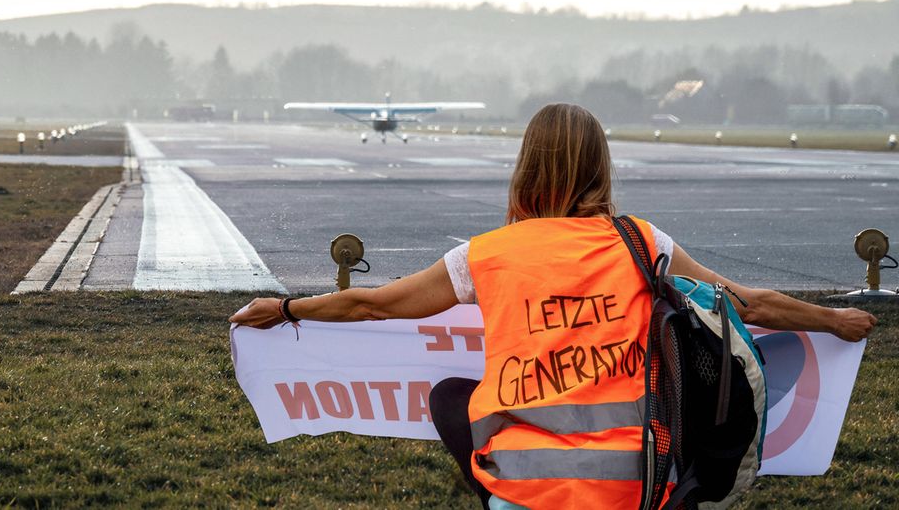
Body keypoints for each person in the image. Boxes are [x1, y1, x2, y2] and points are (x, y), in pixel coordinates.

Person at [229, 103, 877, 509]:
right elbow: (747, 303)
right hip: (638, 480)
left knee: (451, 398)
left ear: (526, 167)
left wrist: (287, 309)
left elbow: (374, 306)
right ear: (601, 167)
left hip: (523, 483)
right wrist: (835, 320)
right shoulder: (642, 243)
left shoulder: (485, 255)